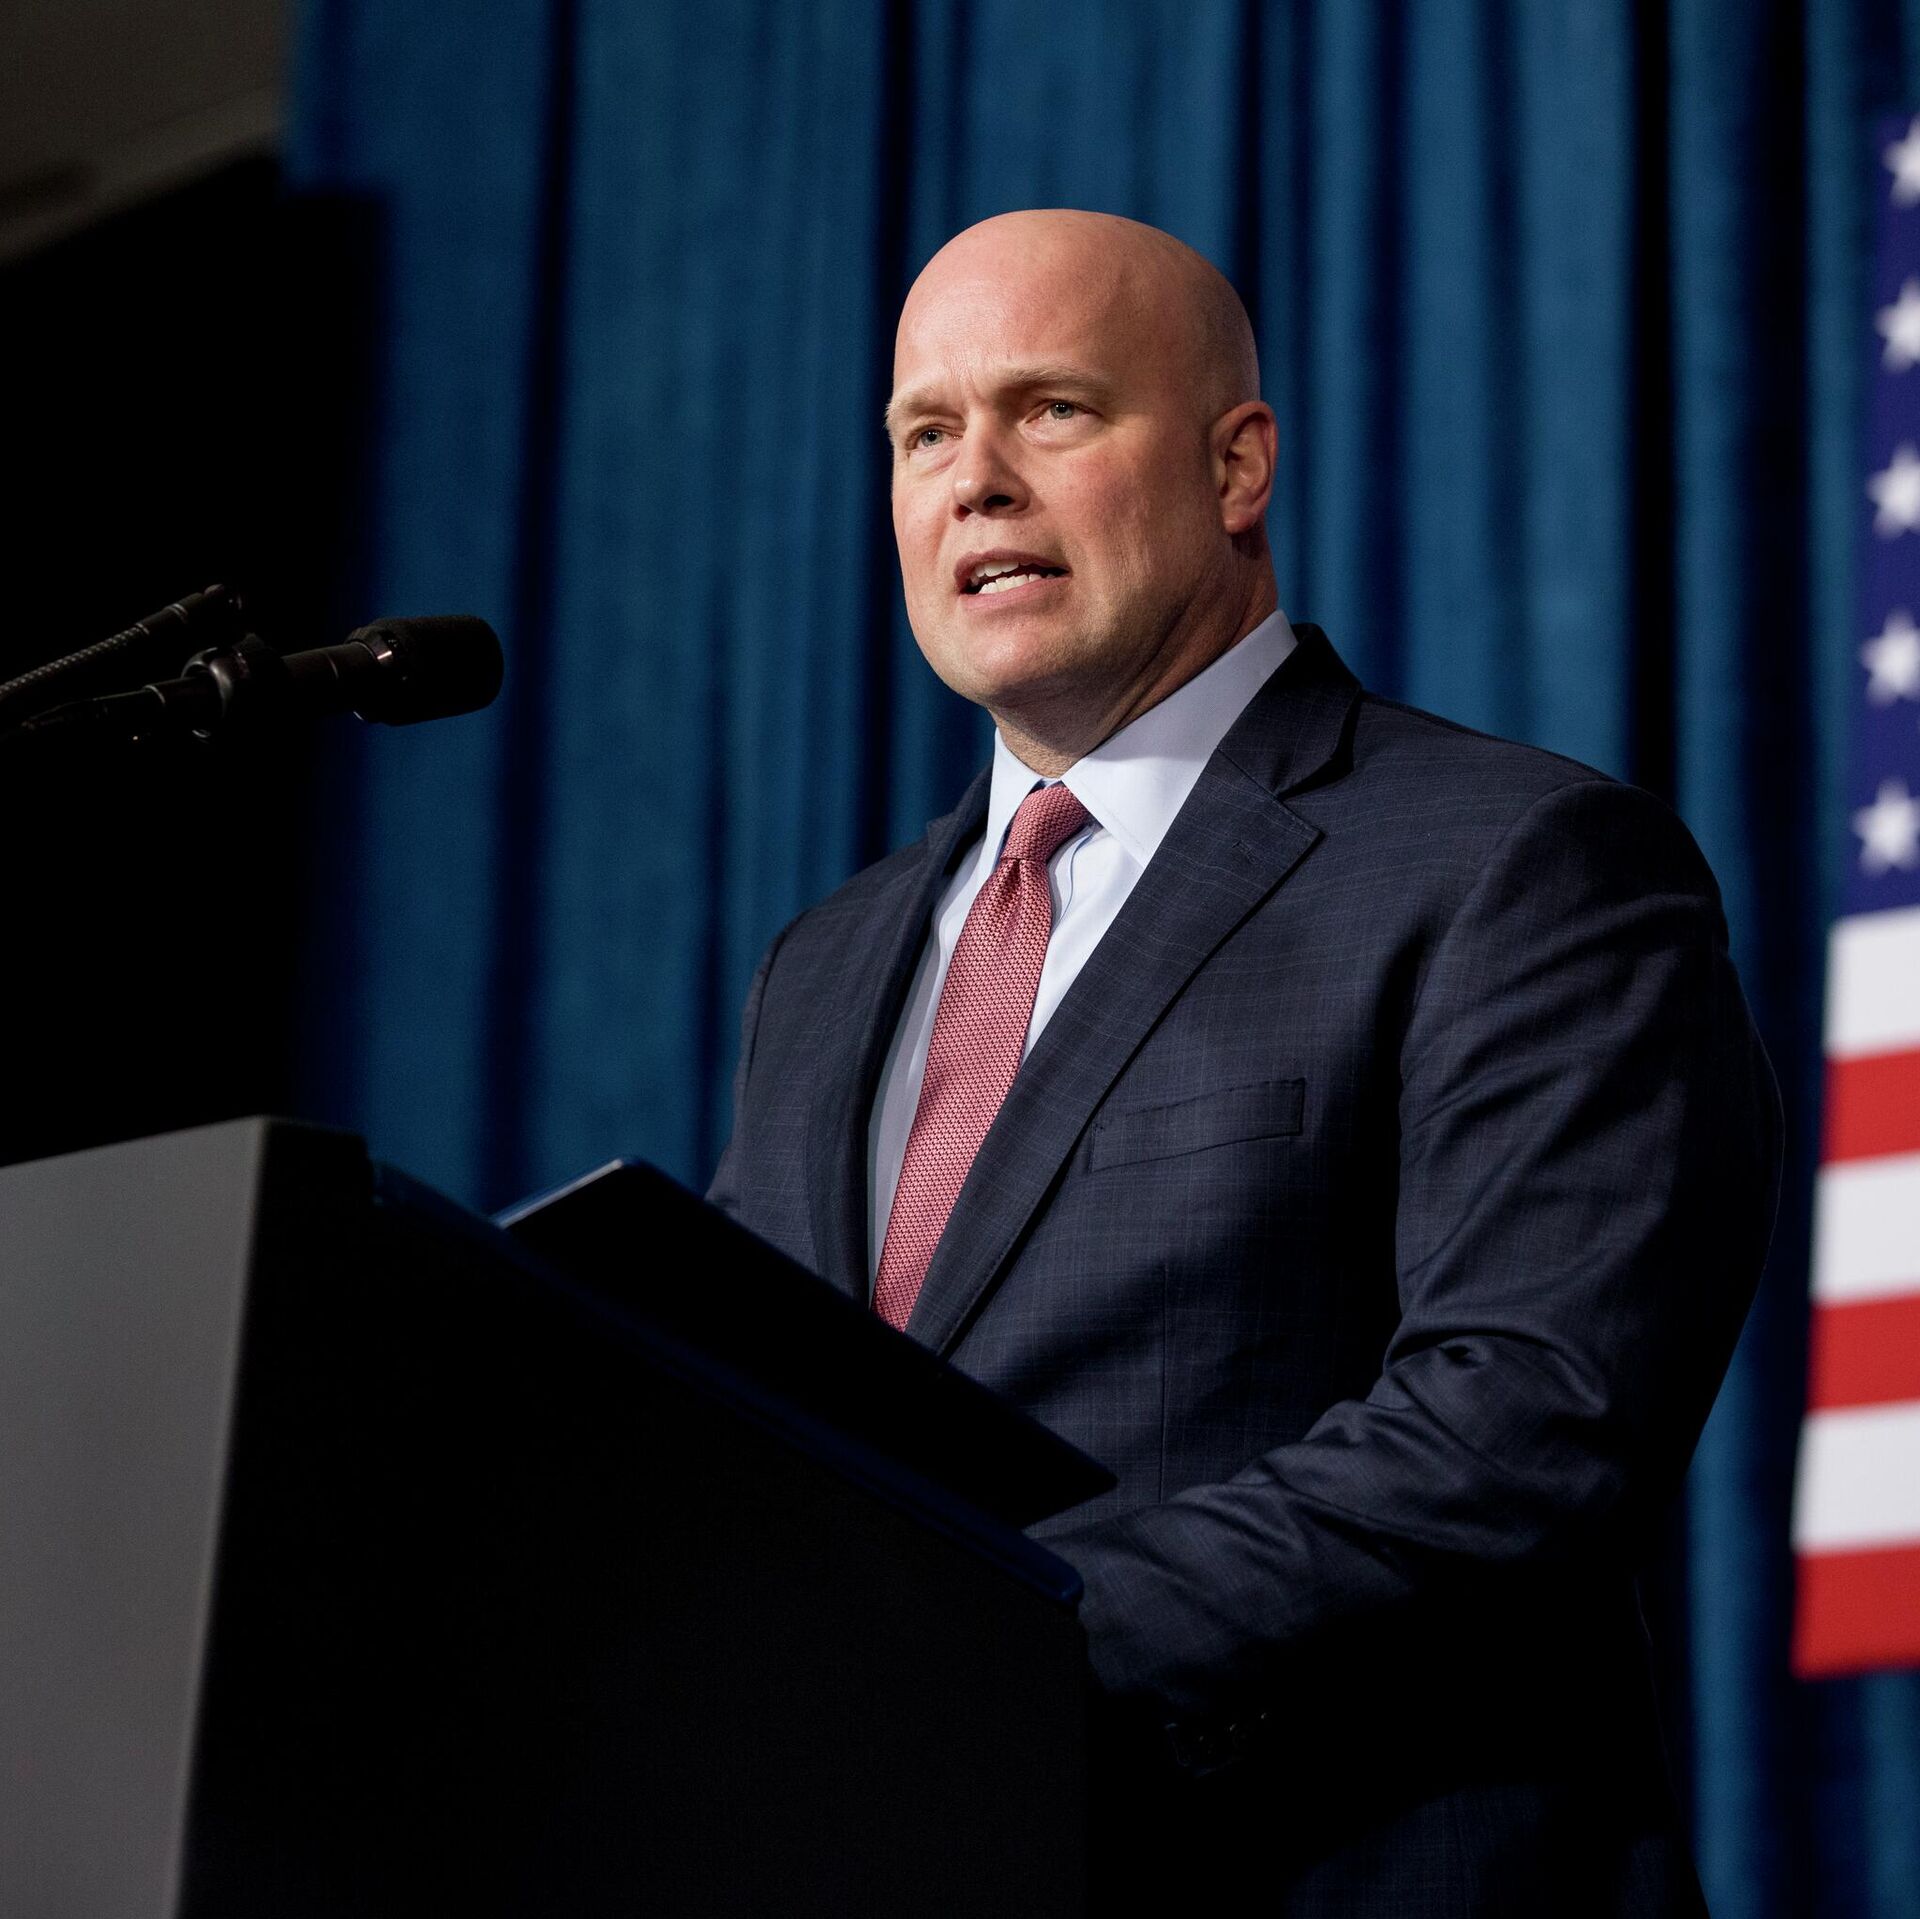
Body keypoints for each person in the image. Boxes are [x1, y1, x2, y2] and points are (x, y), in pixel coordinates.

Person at [707, 208, 1781, 1912]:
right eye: (925, 433)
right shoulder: (823, 967)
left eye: (1052, 409)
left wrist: (984, 1645)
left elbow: (1525, 1428)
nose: (975, 481)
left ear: (1236, 466)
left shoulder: (1515, 863)